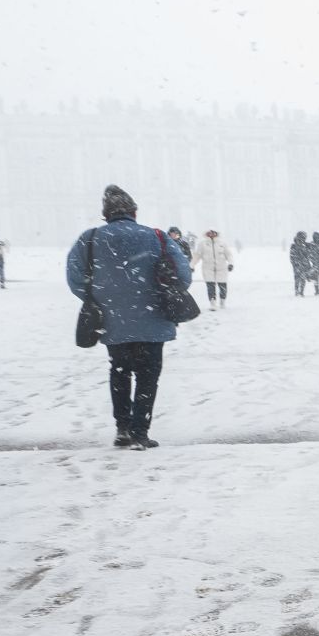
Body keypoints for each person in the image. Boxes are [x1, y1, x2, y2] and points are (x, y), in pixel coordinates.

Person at [65, 185, 194, 448]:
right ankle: (140, 431)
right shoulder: (157, 237)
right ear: (134, 212)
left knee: (119, 372)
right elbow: (183, 275)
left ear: (106, 214)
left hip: (114, 322)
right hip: (153, 320)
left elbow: (75, 278)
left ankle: (122, 427)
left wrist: (102, 300)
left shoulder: (89, 239)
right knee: (148, 376)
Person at [193, 229, 234, 307]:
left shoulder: (222, 244)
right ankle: (213, 302)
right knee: (210, 285)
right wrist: (192, 265)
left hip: (221, 268)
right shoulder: (202, 244)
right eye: (209, 233)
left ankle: (222, 300)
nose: (211, 234)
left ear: (216, 233)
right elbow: (197, 255)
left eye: (213, 233)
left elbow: (229, 255)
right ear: (207, 234)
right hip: (207, 268)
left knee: (222, 285)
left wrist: (230, 263)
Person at [289, 232, 312, 297]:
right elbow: (292, 256)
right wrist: (295, 263)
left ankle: (301, 291)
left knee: (302, 278)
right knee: (298, 278)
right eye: (304, 237)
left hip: (302, 264)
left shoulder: (306, 245)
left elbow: (309, 253)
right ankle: (298, 291)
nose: (304, 238)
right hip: (298, 264)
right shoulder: (294, 245)